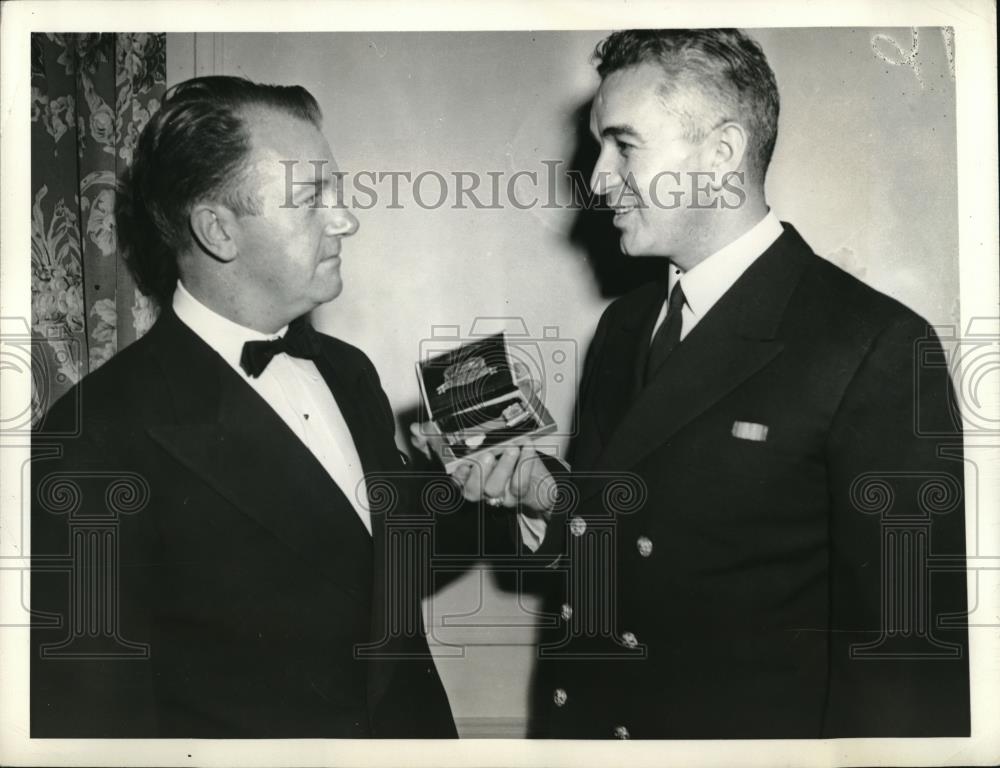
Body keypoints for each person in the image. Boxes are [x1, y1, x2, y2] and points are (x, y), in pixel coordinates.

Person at [443, 29, 970, 738]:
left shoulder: (874, 344)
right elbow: (630, 540)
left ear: (721, 154)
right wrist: (544, 495)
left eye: (624, 146)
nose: (597, 179)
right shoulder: (627, 325)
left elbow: (903, 662)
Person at [31, 76, 457, 738]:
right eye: (313, 198)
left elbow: (379, 578)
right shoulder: (96, 437)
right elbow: (95, 720)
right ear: (218, 230)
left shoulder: (348, 372)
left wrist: (488, 493)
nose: (347, 219)